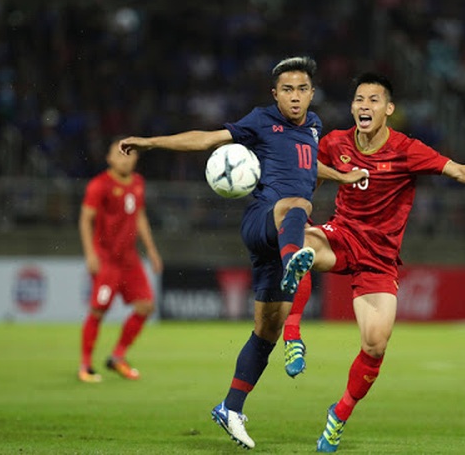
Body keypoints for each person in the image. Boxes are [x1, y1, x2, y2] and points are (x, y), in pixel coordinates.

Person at [118, 56, 364, 449]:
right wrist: (151, 142)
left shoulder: (314, 126)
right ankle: (294, 262)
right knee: (298, 205)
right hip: (263, 220)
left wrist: (342, 175)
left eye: (302, 89)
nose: (295, 97)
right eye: (287, 90)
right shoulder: (260, 120)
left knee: (267, 330)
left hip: (283, 234)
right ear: (275, 94)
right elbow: (207, 138)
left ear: (311, 93)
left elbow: (307, 165)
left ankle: (231, 407)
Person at [280, 72, 465, 452]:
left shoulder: (407, 150)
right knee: (299, 246)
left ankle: (339, 415)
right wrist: (302, 200)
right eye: (358, 99)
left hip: (380, 260)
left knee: (375, 344)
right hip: (342, 235)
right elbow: (308, 174)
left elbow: (455, 169)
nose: (363, 106)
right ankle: (292, 336)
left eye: (372, 100)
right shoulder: (335, 143)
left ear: (389, 109)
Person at [78, 138, 163, 383]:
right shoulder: (99, 185)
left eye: (129, 154)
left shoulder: (138, 183)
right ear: (109, 159)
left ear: (136, 158)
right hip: (106, 260)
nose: (125, 158)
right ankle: (85, 365)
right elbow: (85, 219)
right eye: (120, 154)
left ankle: (117, 356)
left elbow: (140, 217)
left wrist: (152, 251)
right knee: (98, 310)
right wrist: (90, 254)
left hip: (130, 259)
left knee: (146, 306)